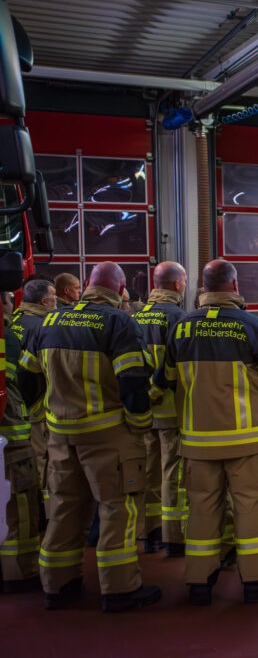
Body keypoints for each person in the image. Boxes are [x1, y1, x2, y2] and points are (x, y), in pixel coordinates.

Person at [20, 262, 160, 612]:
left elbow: (27, 375)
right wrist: (140, 422)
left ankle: (57, 585)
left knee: (65, 507)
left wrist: (42, 413)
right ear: (121, 289)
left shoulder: (49, 321)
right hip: (107, 435)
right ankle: (120, 588)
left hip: (60, 436)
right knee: (117, 508)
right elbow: (132, 379)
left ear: (86, 285)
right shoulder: (118, 322)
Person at [157, 259, 258, 605]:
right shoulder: (252, 326)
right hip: (244, 439)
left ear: (202, 286)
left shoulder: (182, 327)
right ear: (235, 285)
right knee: (250, 506)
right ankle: (256, 579)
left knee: (201, 508)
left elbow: (166, 379)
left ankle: (199, 581)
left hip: (197, 441)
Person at [131, 262, 188, 557]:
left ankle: (148, 533)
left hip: (141, 412)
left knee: (147, 471)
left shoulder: (134, 317)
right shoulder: (179, 318)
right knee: (172, 474)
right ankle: (174, 537)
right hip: (170, 412)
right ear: (177, 285)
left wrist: (143, 398)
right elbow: (177, 368)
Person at [0, 309, 40, 592]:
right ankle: (20, 573)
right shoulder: (9, 337)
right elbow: (25, 379)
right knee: (19, 504)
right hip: (10, 436)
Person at [10, 279, 56, 500]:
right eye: (54, 296)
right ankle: (41, 509)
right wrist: (36, 405)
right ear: (44, 301)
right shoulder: (42, 326)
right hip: (34, 409)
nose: (57, 300)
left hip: (14, 404)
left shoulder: (15, 320)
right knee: (40, 458)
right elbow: (29, 371)